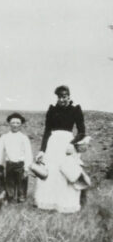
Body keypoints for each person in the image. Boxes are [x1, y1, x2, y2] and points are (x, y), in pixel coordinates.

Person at [34, 85, 86, 213]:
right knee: (52, 171)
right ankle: (50, 203)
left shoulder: (75, 110)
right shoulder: (52, 110)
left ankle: (66, 204)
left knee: (67, 171)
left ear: (69, 96)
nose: (62, 99)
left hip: (68, 144)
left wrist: (72, 144)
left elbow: (82, 132)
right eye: (59, 97)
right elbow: (47, 131)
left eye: (64, 96)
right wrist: (42, 150)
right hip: (53, 144)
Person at [0, 113, 32, 203]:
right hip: (9, 164)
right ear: (9, 123)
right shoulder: (4, 137)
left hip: (20, 164)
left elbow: (28, 153)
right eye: (13, 123)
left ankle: (21, 197)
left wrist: (27, 168)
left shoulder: (24, 138)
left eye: (18, 123)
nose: (15, 125)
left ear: (21, 124)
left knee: (22, 182)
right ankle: (10, 198)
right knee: (9, 182)